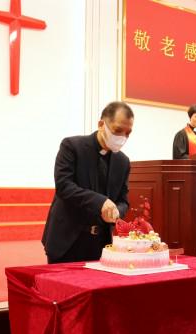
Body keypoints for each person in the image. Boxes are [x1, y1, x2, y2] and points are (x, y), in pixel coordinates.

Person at [41, 102, 134, 263]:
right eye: (118, 130)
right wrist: (100, 202)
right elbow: (64, 186)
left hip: (100, 245)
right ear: (101, 124)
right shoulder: (72, 146)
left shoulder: (123, 161)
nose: (122, 138)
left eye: (128, 133)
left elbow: (123, 200)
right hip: (67, 240)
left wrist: (117, 211)